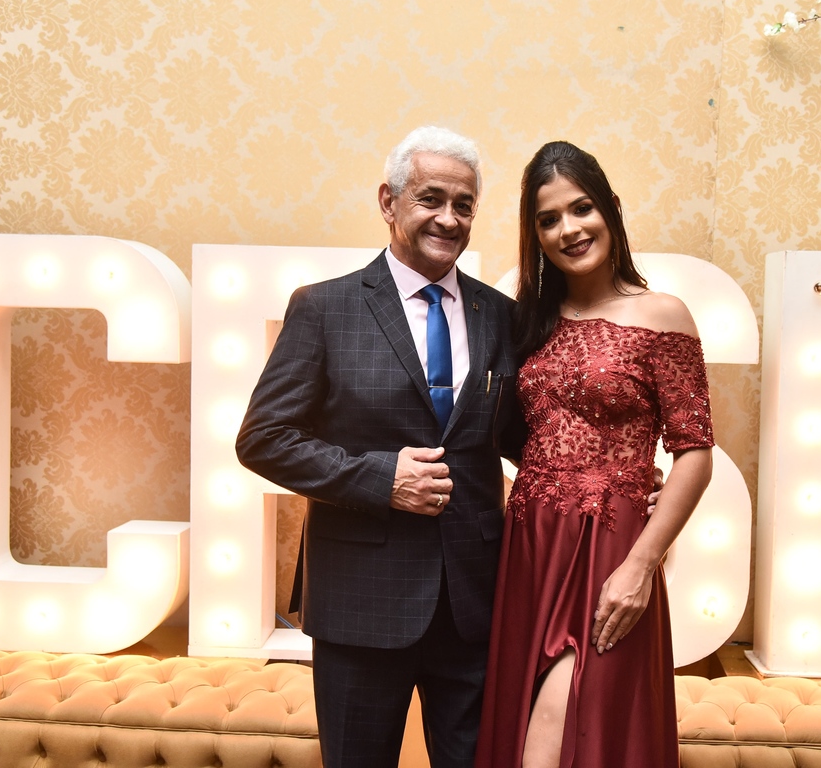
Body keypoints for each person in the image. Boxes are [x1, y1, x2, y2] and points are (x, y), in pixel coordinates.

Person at [235, 126, 523, 768]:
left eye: (464, 205)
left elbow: (517, 436)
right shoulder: (324, 308)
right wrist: (379, 478)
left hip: (475, 603)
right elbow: (263, 438)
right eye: (430, 199)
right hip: (360, 603)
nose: (449, 218)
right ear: (389, 202)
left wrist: (610, 471)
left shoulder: (502, 316)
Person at [473, 141, 715, 768]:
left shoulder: (663, 315)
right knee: (524, 724)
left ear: (611, 208)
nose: (569, 230)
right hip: (530, 548)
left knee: (564, 726)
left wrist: (642, 565)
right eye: (548, 219)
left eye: (581, 208)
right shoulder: (528, 321)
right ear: (535, 234)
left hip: (612, 550)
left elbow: (695, 452)